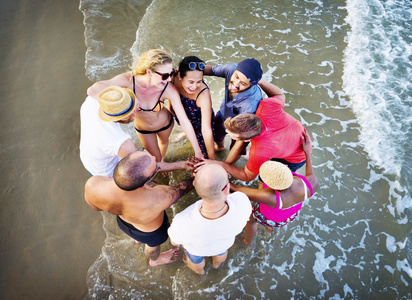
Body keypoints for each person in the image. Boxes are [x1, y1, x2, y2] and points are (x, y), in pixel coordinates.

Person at [84, 148, 195, 266]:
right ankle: (155, 260)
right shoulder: (158, 197)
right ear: (143, 185)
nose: (153, 157)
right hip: (151, 233)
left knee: (137, 232)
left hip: (123, 223)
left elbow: (95, 206)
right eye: (155, 169)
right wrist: (196, 175)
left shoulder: (93, 184)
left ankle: (137, 239)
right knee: (152, 246)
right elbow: (186, 186)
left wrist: (114, 208)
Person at [87, 48, 203, 162]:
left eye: (171, 73)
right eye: (164, 75)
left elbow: (184, 121)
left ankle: (162, 162)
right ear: (149, 72)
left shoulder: (168, 89)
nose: (168, 80)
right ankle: (160, 163)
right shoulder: (128, 81)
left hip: (165, 124)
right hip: (143, 129)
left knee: (163, 144)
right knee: (154, 159)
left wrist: (198, 151)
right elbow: (92, 91)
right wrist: (124, 98)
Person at [196, 79, 309, 182]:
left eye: (231, 135)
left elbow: (247, 176)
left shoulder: (260, 151)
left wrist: (221, 164)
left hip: (297, 155)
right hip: (295, 137)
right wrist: (260, 81)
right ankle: (255, 163)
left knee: (266, 179)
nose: (226, 132)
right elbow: (279, 94)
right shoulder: (267, 105)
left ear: (248, 139)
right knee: (262, 159)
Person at [230, 132, 319, 245]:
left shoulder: (270, 196)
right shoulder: (312, 182)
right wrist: (307, 152)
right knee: (275, 219)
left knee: (251, 221)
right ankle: (271, 227)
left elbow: (236, 189)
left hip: (269, 214)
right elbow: (310, 173)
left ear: (272, 186)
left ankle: (247, 241)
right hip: (289, 215)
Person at [168, 164, 251, 274]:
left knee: (195, 261)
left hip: (197, 251)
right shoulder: (242, 201)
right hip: (223, 245)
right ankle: (216, 265)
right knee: (221, 253)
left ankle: (200, 273)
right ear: (226, 189)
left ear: (194, 185)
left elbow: (174, 242)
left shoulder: (182, 221)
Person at [203, 58, 263, 152]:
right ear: (235, 71)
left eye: (243, 83)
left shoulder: (251, 103)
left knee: (236, 148)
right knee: (216, 135)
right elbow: (210, 70)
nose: (235, 84)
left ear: (251, 85)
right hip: (224, 114)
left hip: (241, 127)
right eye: (236, 77)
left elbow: (243, 136)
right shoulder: (231, 69)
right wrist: (184, 71)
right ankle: (221, 147)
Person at [80, 86, 138, 176]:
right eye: (128, 114)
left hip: (86, 158)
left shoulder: (92, 100)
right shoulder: (120, 142)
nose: (134, 114)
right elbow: (140, 166)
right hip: (104, 173)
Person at [171, 56, 216, 159]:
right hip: (183, 115)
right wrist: (171, 109)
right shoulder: (173, 78)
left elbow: (206, 130)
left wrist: (213, 160)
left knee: (204, 149)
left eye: (199, 81)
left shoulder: (203, 94)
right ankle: (185, 133)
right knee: (185, 124)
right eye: (191, 82)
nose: (195, 86)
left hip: (200, 122)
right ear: (180, 76)